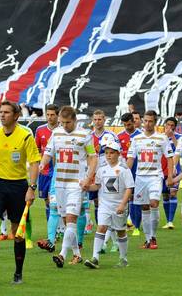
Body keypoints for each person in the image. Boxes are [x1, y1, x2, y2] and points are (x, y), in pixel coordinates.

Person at [0, 101, 41, 286]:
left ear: (16, 116)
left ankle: (18, 273)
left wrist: (32, 187)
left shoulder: (25, 136)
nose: (2, 115)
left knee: (17, 233)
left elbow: (35, 163)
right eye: (0, 112)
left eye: (6, 112)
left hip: (18, 187)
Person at [42, 106, 97, 267]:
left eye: (67, 122)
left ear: (74, 120)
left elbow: (93, 158)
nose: (64, 125)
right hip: (59, 183)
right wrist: (42, 164)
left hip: (76, 183)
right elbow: (48, 152)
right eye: (62, 122)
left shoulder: (85, 135)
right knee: (67, 221)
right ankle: (77, 254)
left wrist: (88, 178)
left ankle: (61, 255)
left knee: (72, 218)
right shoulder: (56, 133)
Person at [126, 110, 175, 249]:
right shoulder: (136, 139)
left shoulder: (162, 138)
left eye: (150, 121)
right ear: (142, 121)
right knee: (145, 207)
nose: (147, 124)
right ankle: (147, 239)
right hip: (140, 177)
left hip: (155, 176)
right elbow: (130, 159)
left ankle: (153, 237)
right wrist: (123, 175)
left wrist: (170, 176)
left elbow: (170, 158)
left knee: (154, 203)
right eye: (145, 121)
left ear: (155, 122)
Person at [84, 140, 134, 269]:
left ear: (118, 154)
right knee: (101, 227)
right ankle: (95, 258)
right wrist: (88, 187)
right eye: (106, 153)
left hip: (119, 206)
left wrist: (122, 205)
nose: (109, 155)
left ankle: (123, 258)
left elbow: (129, 188)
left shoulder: (124, 170)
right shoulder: (101, 170)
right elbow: (98, 186)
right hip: (104, 205)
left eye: (112, 153)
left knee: (121, 232)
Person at [90, 109, 119, 243]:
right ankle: (101, 230)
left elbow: (119, 154)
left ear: (104, 120)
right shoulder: (89, 136)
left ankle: (108, 236)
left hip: (108, 174)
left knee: (107, 202)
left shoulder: (111, 135)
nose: (97, 122)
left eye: (99, 119)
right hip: (94, 173)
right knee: (96, 202)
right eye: (95, 119)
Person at [36, 104, 60, 252]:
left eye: (52, 115)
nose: (50, 117)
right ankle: (53, 231)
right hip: (45, 171)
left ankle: (56, 232)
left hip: (58, 171)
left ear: (57, 115)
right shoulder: (40, 130)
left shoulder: (61, 130)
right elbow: (37, 149)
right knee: (47, 200)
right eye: (48, 114)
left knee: (57, 201)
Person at [117, 113, 142, 236]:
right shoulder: (119, 136)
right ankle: (126, 223)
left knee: (136, 199)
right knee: (125, 198)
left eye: (129, 124)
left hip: (139, 171)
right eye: (125, 125)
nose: (127, 127)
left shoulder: (140, 135)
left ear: (134, 122)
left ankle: (136, 225)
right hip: (124, 171)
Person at [161, 117, 182, 230]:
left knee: (173, 193)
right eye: (168, 124)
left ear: (175, 126)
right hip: (162, 168)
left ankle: (170, 221)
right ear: (165, 124)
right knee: (165, 195)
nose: (170, 127)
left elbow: (180, 149)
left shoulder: (179, 137)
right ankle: (167, 219)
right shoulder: (160, 136)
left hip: (175, 168)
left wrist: (172, 136)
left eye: (172, 125)